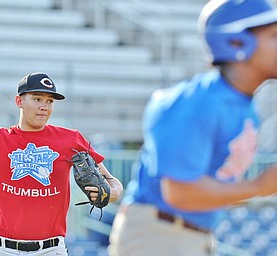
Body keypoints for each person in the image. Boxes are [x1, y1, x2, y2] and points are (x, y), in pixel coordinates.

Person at [108, 0, 277, 255]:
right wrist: (259, 187)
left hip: (190, 234)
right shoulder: (196, 103)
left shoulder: (244, 104)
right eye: (274, 35)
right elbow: (180, 194)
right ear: (236, 43)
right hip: (157, 235)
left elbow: (216, 186)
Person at [0, 72, 123, 256]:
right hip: (3, 250)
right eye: (37, 99)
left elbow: (112, 182)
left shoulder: (71, 139)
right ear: (19, 102)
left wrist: (113, 192)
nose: (44, 106)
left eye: (49, 101)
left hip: (50, 250)